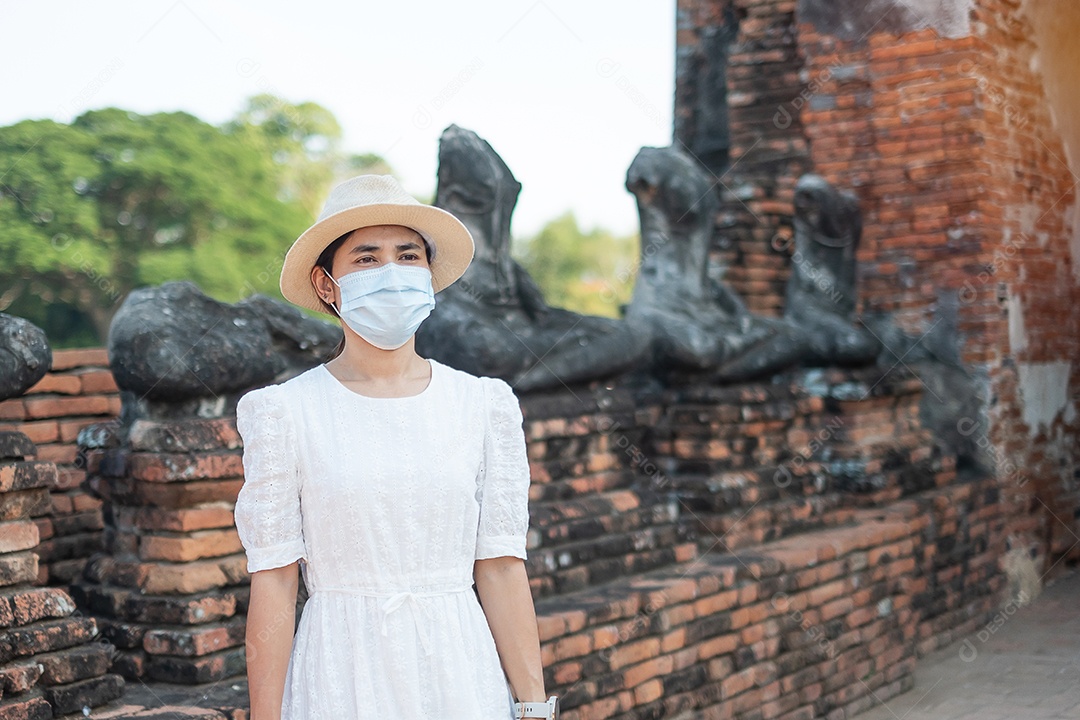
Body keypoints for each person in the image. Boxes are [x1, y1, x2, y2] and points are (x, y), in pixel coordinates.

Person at [234, 175, 560, 719]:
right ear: (326, 284)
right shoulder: (285, 411)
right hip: (341, 674)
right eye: (367, 258)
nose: (391, 272)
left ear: (428, 275)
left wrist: (534, 710)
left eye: (408, 256)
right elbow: (275, 582)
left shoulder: (483, 405)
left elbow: (502, 567)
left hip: (461, 672)